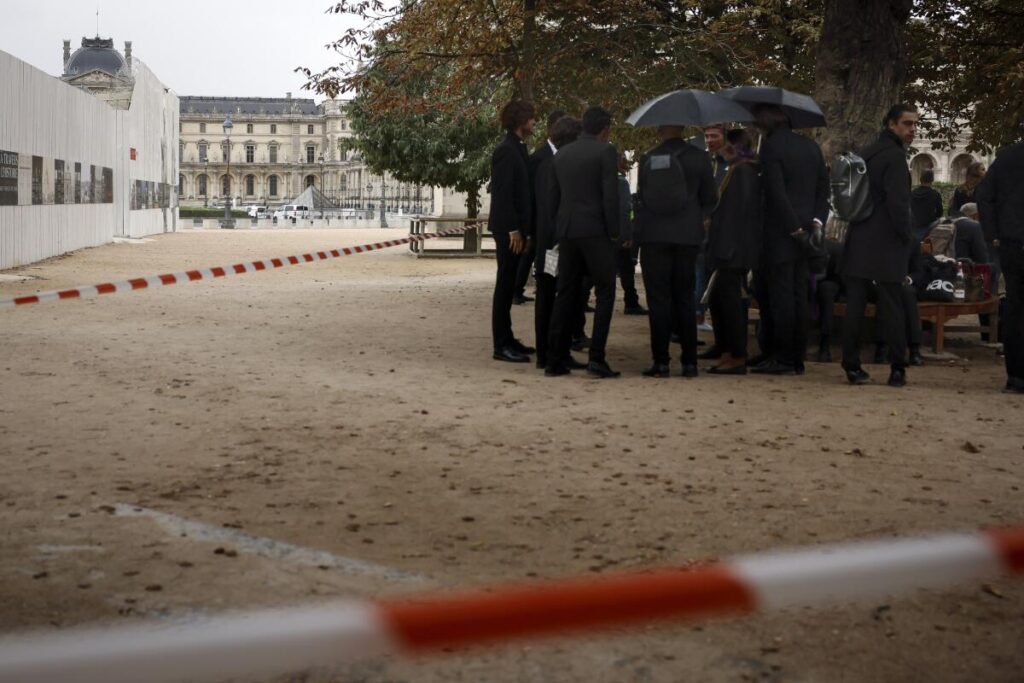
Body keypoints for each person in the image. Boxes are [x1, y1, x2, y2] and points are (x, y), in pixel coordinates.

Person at [840, 103, 919, 387]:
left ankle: (851, 364)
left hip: (860, 235)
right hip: (886, 239)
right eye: (907, 124)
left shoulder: (866, 153)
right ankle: (898, 367)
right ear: (891, 124)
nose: (912, 129)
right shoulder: (895, 158)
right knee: (892, 305)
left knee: (855, 305)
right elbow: (898, 204)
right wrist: (906, 236)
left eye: (914, 124)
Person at [545, 106, 625, 378]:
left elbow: (553, 199)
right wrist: (615, 232)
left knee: (565, 293)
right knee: (605, 292)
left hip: (567, 231)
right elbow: (610, 197)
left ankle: (554, 358)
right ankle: (596, 357)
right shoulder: (605, 152)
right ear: (605, 129)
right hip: (595, 230)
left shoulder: (562, 155)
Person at [750, 104, 829, 375]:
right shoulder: (811, 147)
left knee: (781, 297)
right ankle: (796, 357)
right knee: (799, 296)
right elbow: (823, 187)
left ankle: (782, 357)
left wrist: (794, 228)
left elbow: (776, 192)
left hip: (781, 232)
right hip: (809, 229)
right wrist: (816, 222)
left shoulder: (771, 147)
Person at [635, 125, 717, 378]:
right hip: (687, 235)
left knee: (658, 298)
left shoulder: (648, 157)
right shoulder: (700, 157)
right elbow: (710, 199)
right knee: (684, 296)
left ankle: (660, 361)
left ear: (659, 129)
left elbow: (642, 197)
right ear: (682, 128)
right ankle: (689, 362)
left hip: (654, 235)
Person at [705, 129, 763, 374]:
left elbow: (737, 216)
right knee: (719, 298)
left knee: (729, 300)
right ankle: (729, 349)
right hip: (728, 246)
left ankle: (737, 354)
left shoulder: (743, 173)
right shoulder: (736, 171)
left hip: (733, 248)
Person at [533, 115, 586, 370]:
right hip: (553, 242)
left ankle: (558, 351)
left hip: (556, 240)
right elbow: (549, 208)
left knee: (561, 297)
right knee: (548, 297)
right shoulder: (548, 162)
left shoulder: (553, 159)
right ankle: (548, 353)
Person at [488, 99, 536, 363]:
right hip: (508, 229)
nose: (534, 122)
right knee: (505, 285)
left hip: (514, 227)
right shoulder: (507, 150)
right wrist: (514, 229)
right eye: (530, 117)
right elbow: (504, 193)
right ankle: (501, 344)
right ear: (520, 120)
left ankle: (508, 338)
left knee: (508, 284)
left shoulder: (517, 147)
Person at [976, 134, 1024, 393]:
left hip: (1012, 241)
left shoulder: (1006, 158)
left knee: (1016, 307)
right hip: (1012, 238)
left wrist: (993, 234)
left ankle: (1016, 376)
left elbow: (984, 196)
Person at [514, 109, 566, 306]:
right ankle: (523, 289)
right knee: (538, 261)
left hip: (557, 227)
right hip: (541, 224)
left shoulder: (565, 155)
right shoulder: (539, 158)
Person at [617, 154, 646, 315]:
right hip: (621, 236)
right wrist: (628, 235)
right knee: (627, 270)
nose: (627, 164)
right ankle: (631, 302)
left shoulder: (605, 179)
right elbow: (626, 210)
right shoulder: (621, 182)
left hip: (609, 233)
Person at [911, 169, 944, 241]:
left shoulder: (912, 194)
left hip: (913, 229)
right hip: (929, 230)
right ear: (932, 180)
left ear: (920, 179)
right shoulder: (935, 194)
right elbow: (940, 213)